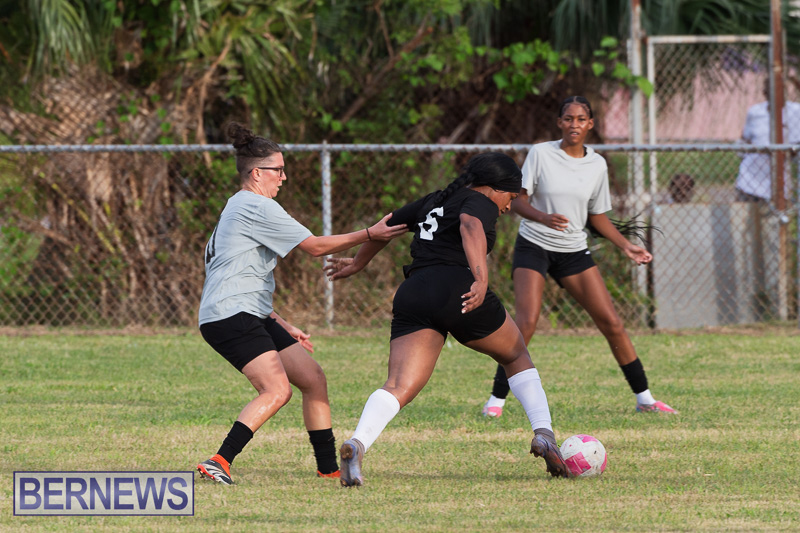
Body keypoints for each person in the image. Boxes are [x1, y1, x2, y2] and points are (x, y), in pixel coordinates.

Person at [324, 152, 572, 486]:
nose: (509, 206)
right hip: (457, 289)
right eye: (511, 197)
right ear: (495, 188)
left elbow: (385, 227)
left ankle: (357, 443)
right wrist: (480, 279)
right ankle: (544, 435)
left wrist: (358, 263)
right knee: (516, 355)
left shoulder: (435, 199)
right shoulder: (480, 200)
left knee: (399, 385)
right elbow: (470, 225)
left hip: (414, 291)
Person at [195, 122, 407, 485]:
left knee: (313, 378)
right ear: (257, 173)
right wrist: (370, 234)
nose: (284, 177)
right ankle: (219, 460)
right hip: (231, 315)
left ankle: (328, 469)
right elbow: (315, 247)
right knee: (277, 390)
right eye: (278, 170)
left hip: (248, 312)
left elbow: (239, 276)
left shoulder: (238, 206)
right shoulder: (255, 206)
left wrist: (281, 323)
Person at [481, 96, 677, 420]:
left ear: (590, 124)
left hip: (573, 251)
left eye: (581, 119)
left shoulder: (596, 164)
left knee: (612, 323)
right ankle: (495, 401)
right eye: (568, 118)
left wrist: (625, 245)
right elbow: (517, 200)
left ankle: (645, 399)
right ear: (560, 123)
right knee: (526, 323)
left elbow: (596, 216)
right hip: (534, 246)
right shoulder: (541, 153)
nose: (574, 124)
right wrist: (543, 218)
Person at [735, 79, 800, 202]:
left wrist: (779, 152)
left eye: (779, 90)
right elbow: (745, 139)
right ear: (765, 93)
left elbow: (796, 146)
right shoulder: (755, 112)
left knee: (778, 212)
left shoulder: (795, 111)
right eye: (770, 91)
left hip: (779, 181)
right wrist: (754, 149)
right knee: (747, 212)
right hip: (749, 180)